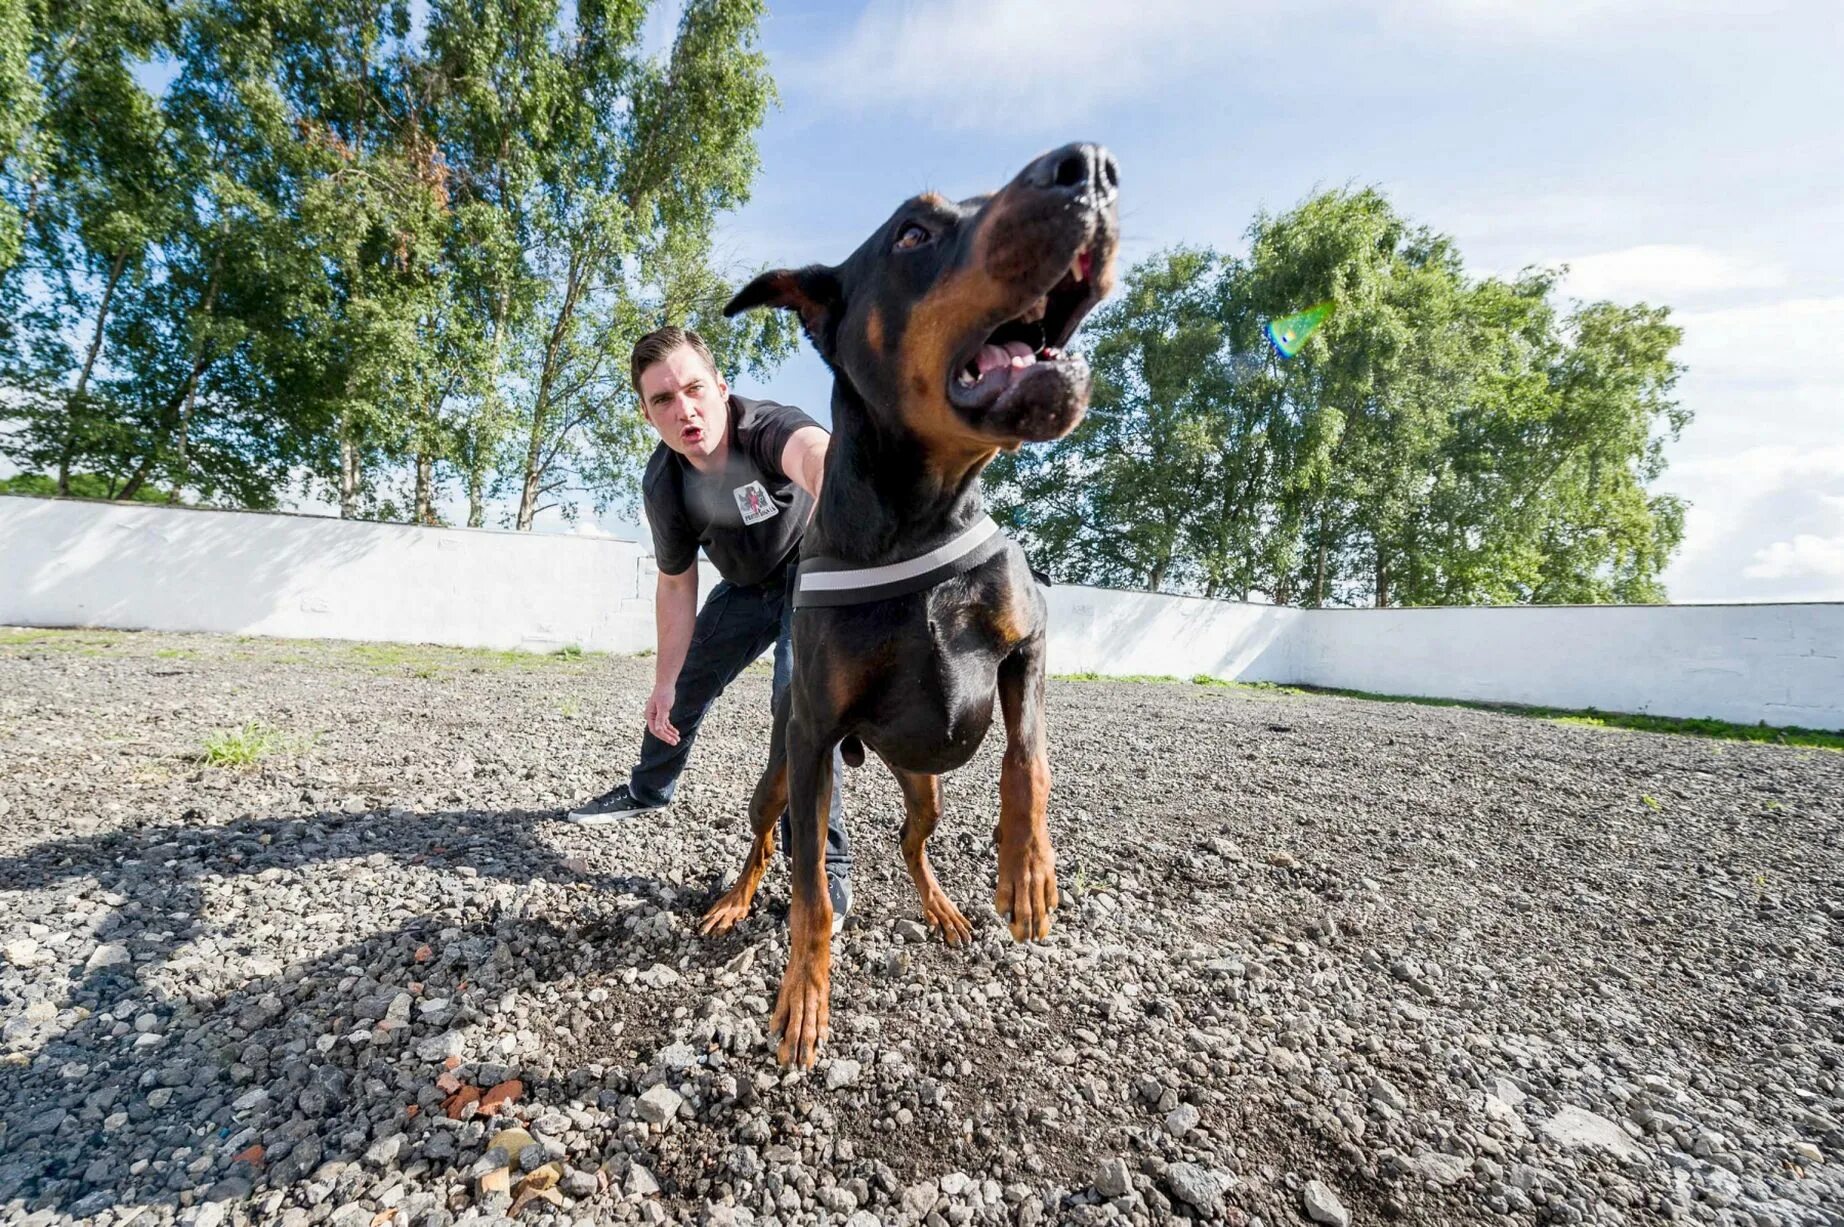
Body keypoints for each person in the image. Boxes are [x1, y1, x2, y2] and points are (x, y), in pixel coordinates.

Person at [567, 326, 853, 923]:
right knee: (683, 686)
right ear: (647, 415)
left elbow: (815, 454)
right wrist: (663, 679)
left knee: (797, 702)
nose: (684, 409)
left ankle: (823, 868)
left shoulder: (766, 426)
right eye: (663, 400)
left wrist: (841, 489)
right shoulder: (666, 485)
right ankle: (647, 790)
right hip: (748, 585)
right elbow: (676, 583)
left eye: (694, 389)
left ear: (722, 389)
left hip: (815, 571)